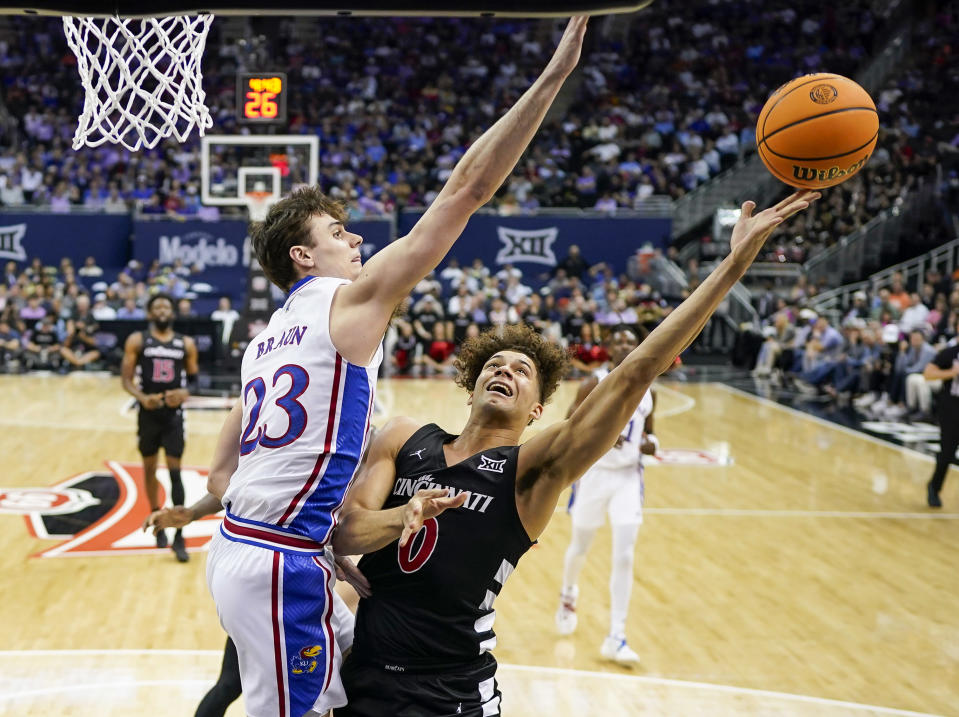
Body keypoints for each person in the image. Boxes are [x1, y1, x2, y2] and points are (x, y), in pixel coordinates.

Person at [204, 18, 589, 717]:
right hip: (275, 559)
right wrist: (554, 77)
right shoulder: (349, 304)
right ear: (302, 255)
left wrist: (323, 539)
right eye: (337, 232)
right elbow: (465, 190)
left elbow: (257, 457)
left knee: (357, 673)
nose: (355, 239)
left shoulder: (265, 340)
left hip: (262, 546)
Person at [331, 190, 819, 716]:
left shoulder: (529, 473)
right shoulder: (404, 437)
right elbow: (347, 532)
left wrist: (733, 263)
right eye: (495, 365)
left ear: (538, 410)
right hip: (361, 679)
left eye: (522, 371)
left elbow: (636, 371)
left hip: (451, 694)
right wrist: (405, 515)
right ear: (471, 389)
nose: (505, 371)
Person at [555, 326, 656, 663]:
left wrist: (649, 444)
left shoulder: (649, 388)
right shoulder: (593, 383)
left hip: (628, 478)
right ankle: (569, 593)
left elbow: (652, 436)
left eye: (631, 341)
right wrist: (597, 433)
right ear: (608, 348)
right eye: (619, 341)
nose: (625, 345)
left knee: (624, 553)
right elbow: (569, 423)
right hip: (594, 474)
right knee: (580, 546)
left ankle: (617, 635)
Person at [121, 293, 199, 561]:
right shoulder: (137, 340)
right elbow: (127, 379)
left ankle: (179, 534)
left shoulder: (185, 343)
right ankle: (157, 520)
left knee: (176, 473)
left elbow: (195, 380)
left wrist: (184, 392)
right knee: (150, 469)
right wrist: (143, 398)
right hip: (148, 414)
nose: (162, 310)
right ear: (150, 313)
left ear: (173, 312)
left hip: (173, 415)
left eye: (166, 306)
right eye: (157, 307)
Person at [923, 333, 959, 508]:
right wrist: (951, 372)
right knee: (947, 452)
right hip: (952, 407)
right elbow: (928, 373)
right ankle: (934, 487)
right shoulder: (950, 353)